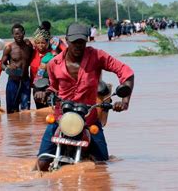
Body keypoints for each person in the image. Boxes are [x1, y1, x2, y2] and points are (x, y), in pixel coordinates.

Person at [34, 23, 135, 171]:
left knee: (102, 165)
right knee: (41, 164)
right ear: (67, 40)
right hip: (61, 117)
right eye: (74, 42)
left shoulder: (98, 56)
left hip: (89, 118)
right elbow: (53, 87)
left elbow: (126, 72)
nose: (78, 46)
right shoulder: (54, 63)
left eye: (81, 42)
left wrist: (124, 101)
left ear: (87, 41)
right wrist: (45, 93)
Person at [1, 23, 33, 113]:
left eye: (20, 33)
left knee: (26, 110)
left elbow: (34, 59)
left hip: (25, 81)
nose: (18, 36)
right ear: (13, 35)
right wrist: (8, 67)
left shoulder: (28, 46)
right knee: (12, 112)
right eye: (16, 34)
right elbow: (1, 65)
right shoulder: (9, 48)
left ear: (24, 33)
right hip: (13, 82)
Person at [30, 28, 54, 109]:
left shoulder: (51, 55)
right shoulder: (32, 52)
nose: (40, 45)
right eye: (38, 43)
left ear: (47, 43)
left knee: (50, 110)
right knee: (40, 111)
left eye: (43, 42)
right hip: (37, 86)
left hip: (49, 87)